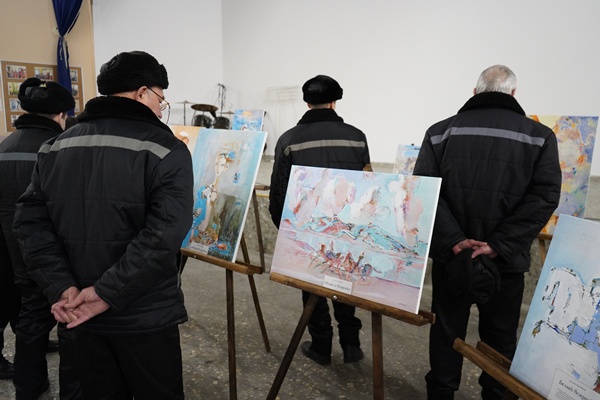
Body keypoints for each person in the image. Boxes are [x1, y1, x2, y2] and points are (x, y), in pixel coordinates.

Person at [13, 51, 193, 400]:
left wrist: (61, 287)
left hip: (76, 313)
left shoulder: (54, 146)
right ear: (142, 93)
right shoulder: (165, 149)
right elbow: (163, 235)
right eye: (161, 100)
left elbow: (30, 224)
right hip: (143, 316)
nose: (160, 110)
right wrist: (106, 293)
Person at [413, 65, 561, 399]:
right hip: (504, 262)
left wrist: (455, 241)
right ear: (513, 93)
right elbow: (544, 197)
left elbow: (424, 190)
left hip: (453, 260)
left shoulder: (439, 132)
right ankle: (497, 394)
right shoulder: (539, 136)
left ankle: (441, 393)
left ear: (475, 91)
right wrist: (497, 244)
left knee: (446, 331)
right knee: (500, 338)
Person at [269, 74, 371, 365]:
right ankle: (351, 345)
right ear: (334, 102)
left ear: (307, 103)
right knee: (345, 283)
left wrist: (288, 232)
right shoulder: (356, 137)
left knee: (312, 287)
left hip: (307, 230)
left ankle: (321, 346)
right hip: (347, 229)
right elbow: (367, 183)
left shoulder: (289, 140)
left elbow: (279, 194)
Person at [0, 77, 74, 398]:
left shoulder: (5, 146)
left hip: (9, 252)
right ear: (61, 115)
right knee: (62, 316)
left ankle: (28, 386)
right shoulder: (58, 149)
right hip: (49, 254)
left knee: (27, 315)